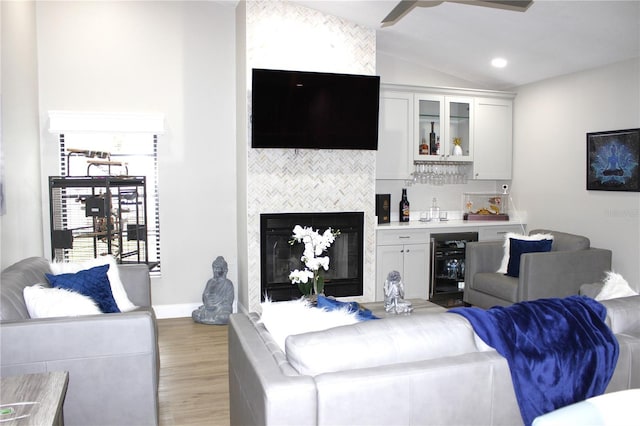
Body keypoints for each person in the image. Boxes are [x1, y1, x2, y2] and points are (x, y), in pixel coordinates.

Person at [192, 256, 234, 325]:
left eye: (217, 268)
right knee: (195, 314)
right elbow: (204, 297)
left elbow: (228, 302)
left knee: (224, 317)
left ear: (224, 270)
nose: (215, 270)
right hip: (208, 309)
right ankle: (212, 318)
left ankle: (212, 319)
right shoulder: (210, 282)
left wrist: (217, 305)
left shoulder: (228, 283)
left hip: (220, 309)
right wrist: (206, 299)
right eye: (214, 268)